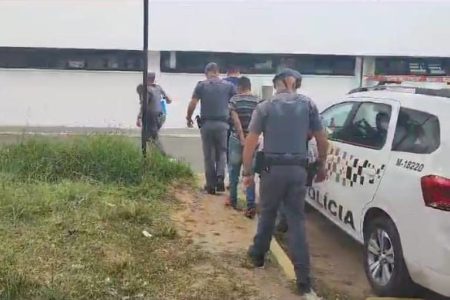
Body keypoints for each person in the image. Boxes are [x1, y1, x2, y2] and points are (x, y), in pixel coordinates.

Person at [241, 68, 329, 297]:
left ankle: (258, 256)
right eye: (296, 83)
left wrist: (248, 171)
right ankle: (303, 281)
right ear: (291, 82)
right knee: (297, 221)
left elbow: (251, 140)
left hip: (271, 170)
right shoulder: (308, 105)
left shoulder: (265, 107)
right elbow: (322, 138)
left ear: (278, 83)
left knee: (267, 214)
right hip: (298, 170)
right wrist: (321, 165)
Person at [186, 62, 236, 194]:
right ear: (218, 72)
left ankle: (211, 185)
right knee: (222, 152)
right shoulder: (229, 86)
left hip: (207, 124)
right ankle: (220, 177)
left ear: (206, 72)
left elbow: (193, 103)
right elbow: (235, 103)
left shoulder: (201, 85)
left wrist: (188, 118)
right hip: (223, 124)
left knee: (209, 155)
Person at [227, 76, 260, 218]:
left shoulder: (234, 100)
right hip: (253, 141)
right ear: (250, 86)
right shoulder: (258, 101)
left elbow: (235, 121)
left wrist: (241, 138)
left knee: (233, 171)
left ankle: (233, 200)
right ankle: (250, 205)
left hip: (236, 139)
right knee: (249, 173)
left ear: (239, 87)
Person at [136, 72, 172, 154]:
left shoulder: (147, 90)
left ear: (146, 79)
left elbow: (144, 104)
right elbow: (169, 100)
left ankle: (163, 155)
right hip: (161, 115)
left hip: (151, 116)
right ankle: (153, 155)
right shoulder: (158, 88)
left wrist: (139, 117)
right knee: (150, 136)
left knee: (152, 136)